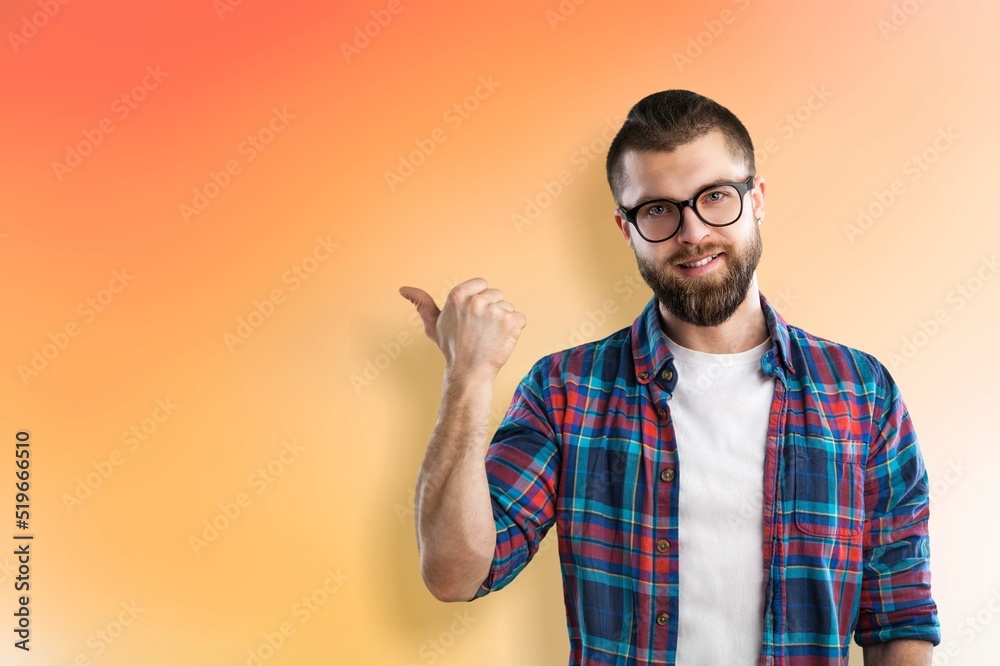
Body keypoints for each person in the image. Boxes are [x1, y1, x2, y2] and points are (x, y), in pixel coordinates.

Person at [400, 90, 940, 665]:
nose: (692, 232)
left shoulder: (861, 391)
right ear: (625, 227)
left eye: (715, 197)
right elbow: (457, 574)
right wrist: (467, 377)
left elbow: (898, 612)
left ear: (756, 199)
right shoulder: (565, 390)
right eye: (658, 209)